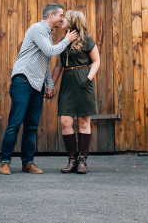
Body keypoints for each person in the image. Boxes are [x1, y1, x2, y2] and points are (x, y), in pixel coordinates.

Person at [0, 3, 78, 175]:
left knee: (32, 126)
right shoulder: (36, 29)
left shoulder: (47, 35)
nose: (63, 18)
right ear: (51, 15)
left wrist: (49, 84)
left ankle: (27, 163)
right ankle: (4, 162)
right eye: (60, 15)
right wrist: (67, 40)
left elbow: (44, 62)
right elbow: (50, 52)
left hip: (37, 83)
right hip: (23, 79)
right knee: (15, 123)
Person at [51, 9, 101, 174]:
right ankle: (72, 160)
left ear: (73, 22)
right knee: (65, 122)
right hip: (67, 84)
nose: (63, 19)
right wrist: (50, 84)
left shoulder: (87, 39)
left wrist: (88, 78)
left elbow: (96, 61)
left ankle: (82, 161)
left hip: (83, 83)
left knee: (83, 122)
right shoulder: (63, 41)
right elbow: (59, 65)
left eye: (66, 18)